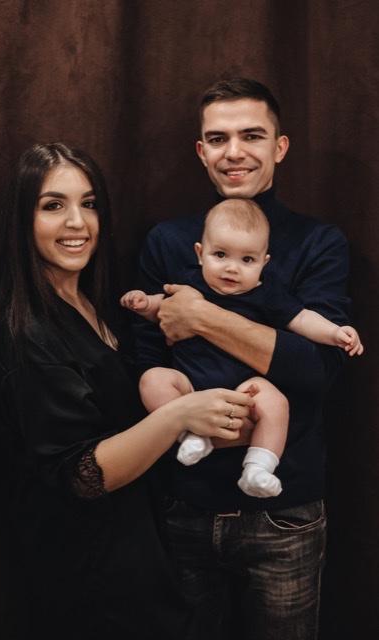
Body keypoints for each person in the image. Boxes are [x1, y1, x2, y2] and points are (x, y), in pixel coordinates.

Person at [0, 143, 254, 640]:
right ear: (21, 220)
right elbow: (83, 474)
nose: (77, 222)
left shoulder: (91, 302)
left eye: (89, 203)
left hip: (138, 554)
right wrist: (179, 415)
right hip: (87, 576)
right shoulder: (29, 335)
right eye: (53, 205)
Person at [133, 77, 354, 639]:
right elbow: (143, 363)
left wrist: (200, 316)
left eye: (252, 135)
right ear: (201, 150)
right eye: (218, 138)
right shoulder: (167, 241)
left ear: (280, 146)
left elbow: (316, 373)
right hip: (186, 503)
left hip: (285, 511)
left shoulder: (318, 243)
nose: (234, 152)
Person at [122, 198, 362, 498]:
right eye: (220, 255)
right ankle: (191, 435)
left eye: (247, 260)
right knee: (153, 380)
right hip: (191, 389)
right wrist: (144, 303)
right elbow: (162, 308)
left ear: (264, 263)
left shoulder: (268, 294)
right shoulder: (190, 282)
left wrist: (335, 332)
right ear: (200, 253)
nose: (231, 268)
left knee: (275, 403)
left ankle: (258, 468)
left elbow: (302, 319)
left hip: (247, 390)